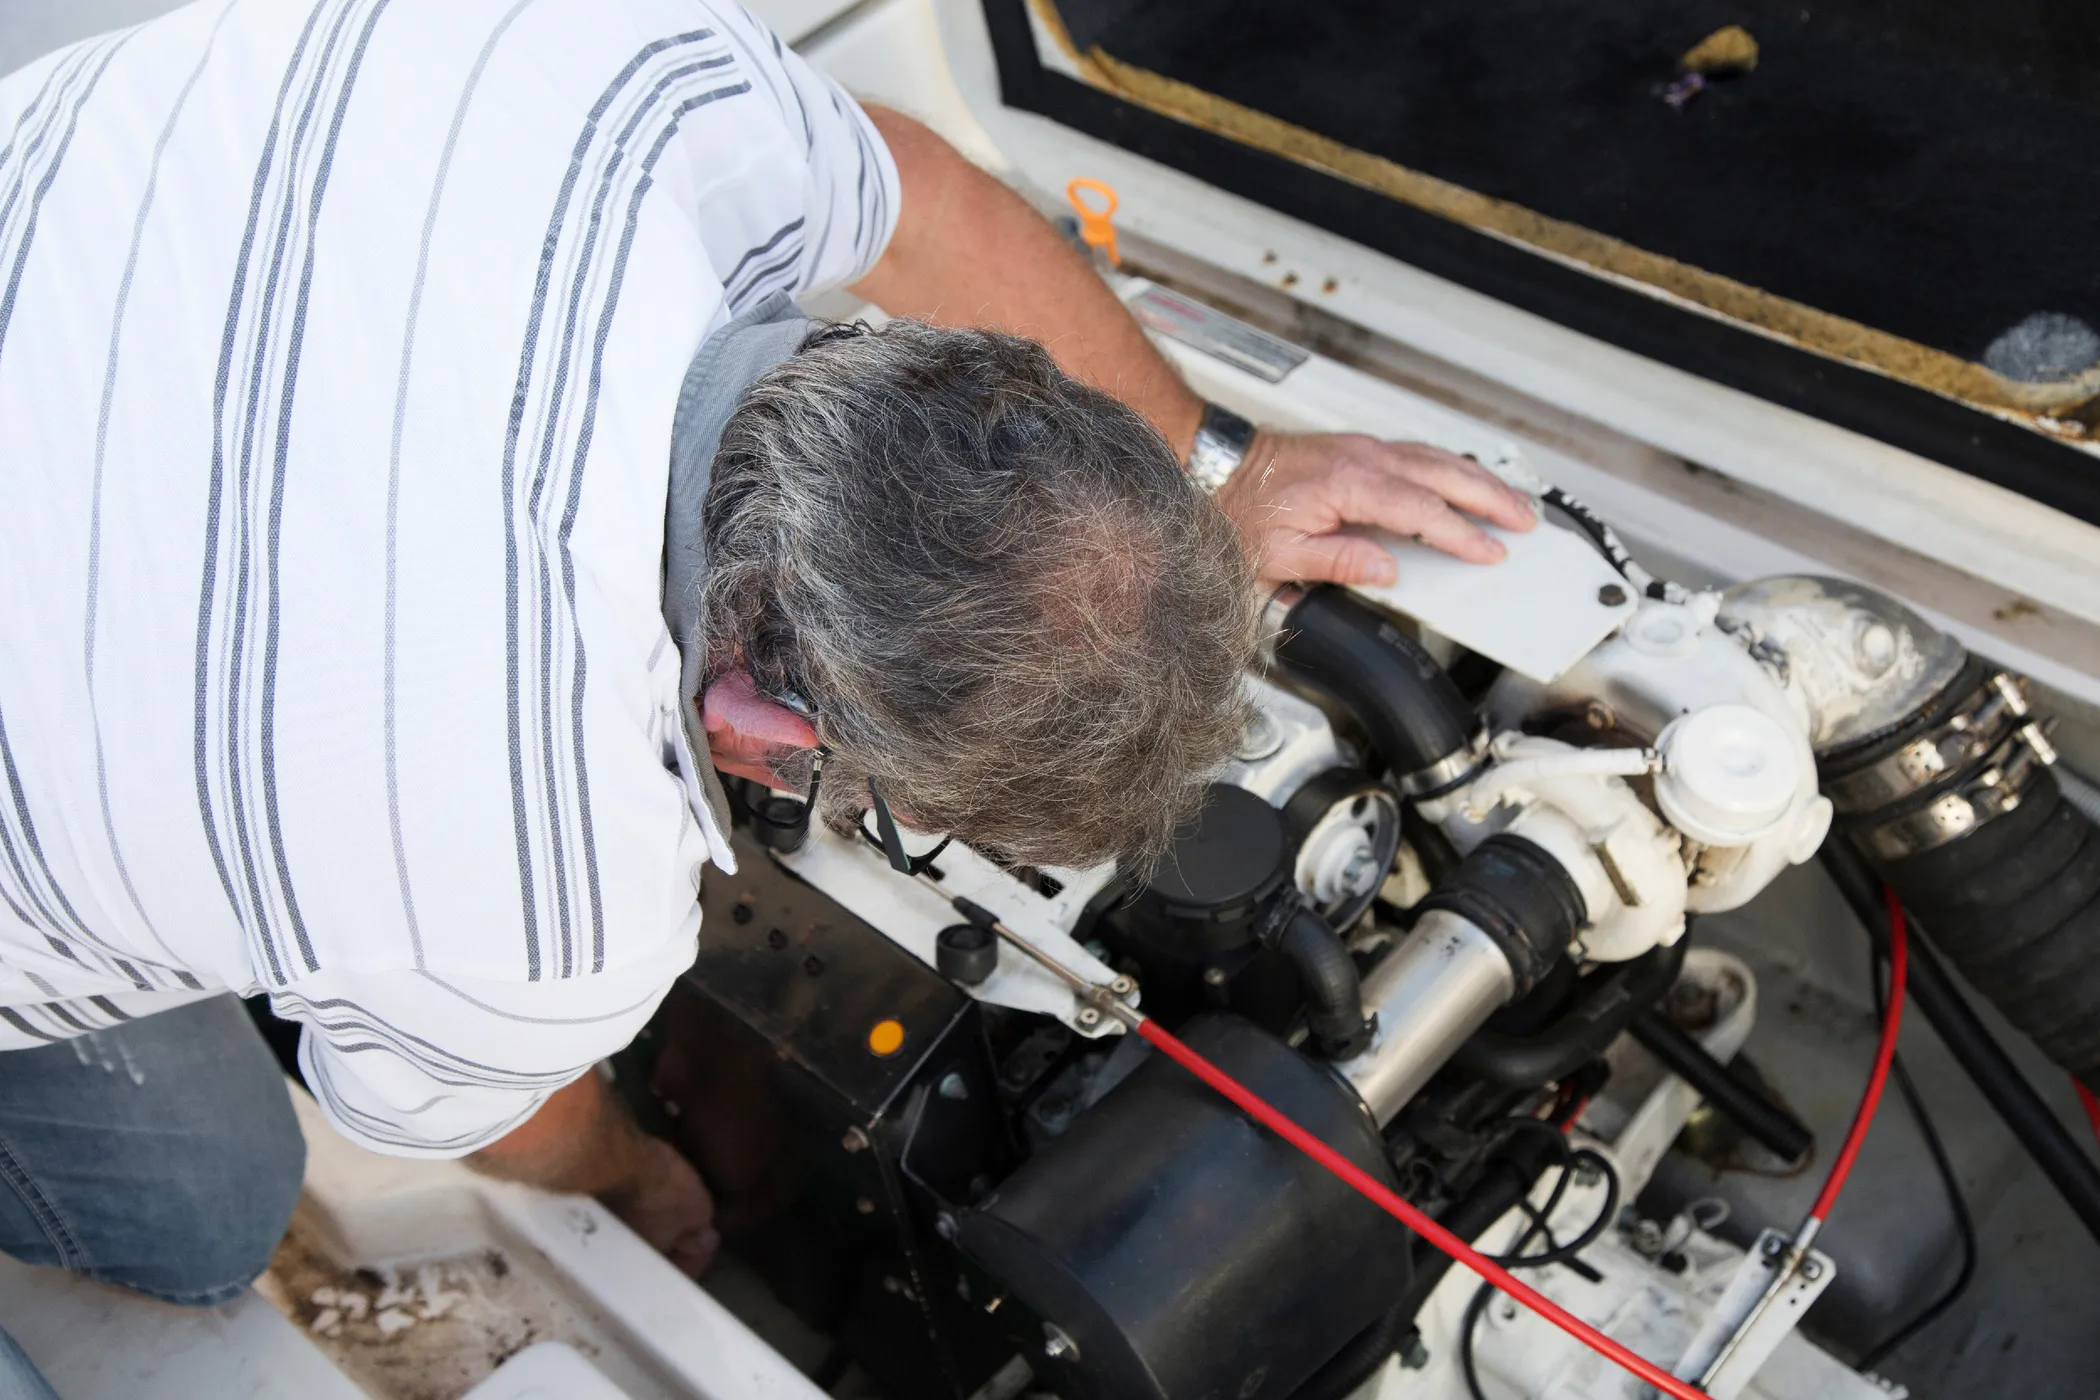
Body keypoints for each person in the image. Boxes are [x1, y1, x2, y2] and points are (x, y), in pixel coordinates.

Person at [0, 0, 1533, 1385]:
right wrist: (631, 1175)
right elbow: (505, 1119)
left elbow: (913, 188)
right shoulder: (527, 890)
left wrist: (1224, 466)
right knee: (203, 1215)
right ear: (759, 737)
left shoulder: (620, 79)